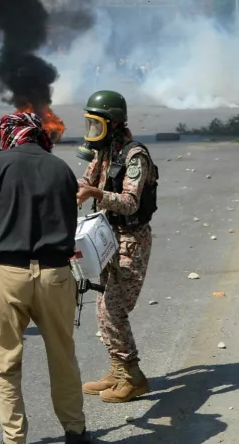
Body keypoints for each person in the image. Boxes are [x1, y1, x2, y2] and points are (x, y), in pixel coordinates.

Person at [0, 111, 89, 444]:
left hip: (7, 275)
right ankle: (76, 431)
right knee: (63, 357)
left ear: (8, 136)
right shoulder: (60, 168)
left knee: (5, 363)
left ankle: (14, 438)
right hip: (55, 275)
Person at [77, 90, 158, 404]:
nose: (92, 130)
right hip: (108, 237)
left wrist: (96, 194)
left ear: (113, 122)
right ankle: (117, 369)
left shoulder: (135, 156)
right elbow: (87, 180)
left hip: (131, 241)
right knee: (102, 307)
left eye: (96, 124)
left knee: (113, 309)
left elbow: (130, 202)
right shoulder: (105, 151)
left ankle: (133, 376)